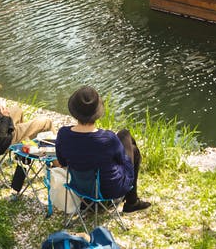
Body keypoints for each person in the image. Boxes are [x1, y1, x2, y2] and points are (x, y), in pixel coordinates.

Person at [55, 85, 150, 213]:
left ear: (75, 112)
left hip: (80, 188)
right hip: (109, 191)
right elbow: (125, 162)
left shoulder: (63, 134)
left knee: (124, 139)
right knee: (129, 141)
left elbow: (63, 162)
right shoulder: (108, 139)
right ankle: (132, 201)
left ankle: (128, 201)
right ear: (97, 113)